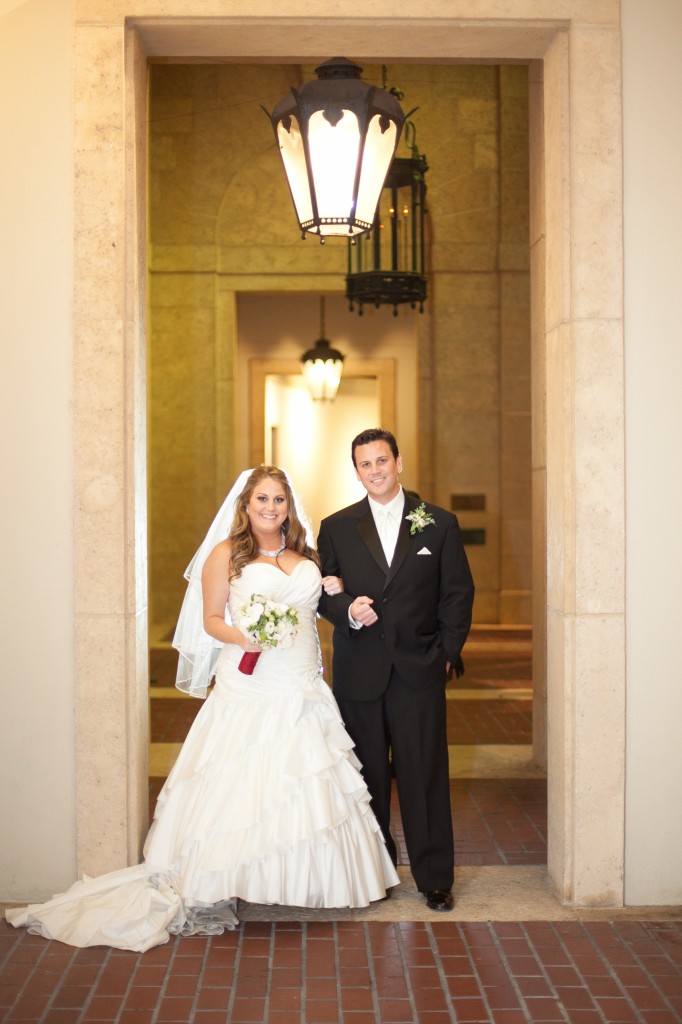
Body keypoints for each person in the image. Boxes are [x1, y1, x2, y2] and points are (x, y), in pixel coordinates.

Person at [6, 466, 398, 951]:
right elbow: (212, 619)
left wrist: (337, 594)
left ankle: (295, 879)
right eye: (262, 500)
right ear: (246, 506)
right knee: (242, 778)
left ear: (288, 507)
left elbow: (319, 606)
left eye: (279, 500)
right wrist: (246, 635)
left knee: (303, 778)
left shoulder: (308, 556)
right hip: (249, 681)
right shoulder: (225, 556)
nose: (271, 508)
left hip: (301, 682)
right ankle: (227, 876)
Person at [317, 429, 474, 912]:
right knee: (368, 778)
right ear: (357, 471)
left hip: (419, 671)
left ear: (398, 462)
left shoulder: (439, 524)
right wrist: (346, 607)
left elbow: (457, 593)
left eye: (382, 461)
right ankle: (376, 872)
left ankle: (434, 879)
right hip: (359, 672)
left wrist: (446, 652)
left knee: (424, 773)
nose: (375, 471)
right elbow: (321, 592)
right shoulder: (337, 526)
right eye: (365, 464)